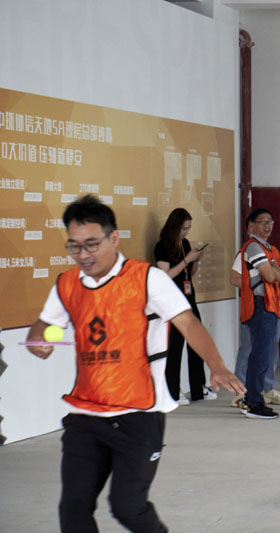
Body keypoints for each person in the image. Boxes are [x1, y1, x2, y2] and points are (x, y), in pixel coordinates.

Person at [25, 195, 244, 533]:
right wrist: (41, 338)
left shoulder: (146, 279)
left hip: (139, 415)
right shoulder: (68, 284)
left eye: (92, 244)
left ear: (113, 238)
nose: (83, 254)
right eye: (74, 246)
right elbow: (43, 325)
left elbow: (188, 323)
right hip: (86, 414)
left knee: (128, 507)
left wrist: (216, 364)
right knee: (73, 509)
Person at [154, 208, 213, 405]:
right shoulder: (162, 246)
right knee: (175, 347)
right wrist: (186, 259)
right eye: (184, 229)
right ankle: (173, 391)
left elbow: (190, 273)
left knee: (197, 343)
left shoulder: (185, 244)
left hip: (188, 298)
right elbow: (165, 276)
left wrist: (195, 260)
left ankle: (198, 388)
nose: (186, 232)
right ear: (175, 227)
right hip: (171, 301)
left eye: (188, 228)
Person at [230, 216, 280, 408]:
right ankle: (242, 392)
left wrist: (272, 275)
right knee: (249, 349)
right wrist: (266, 277)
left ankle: (267, 388)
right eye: (263, 222)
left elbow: (279, 277)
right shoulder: (249, 249)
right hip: (256, 306)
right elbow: (235, 278)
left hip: (274, 306)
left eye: (270, 222)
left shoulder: (274, 251)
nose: (268, 225)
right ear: (251, 226)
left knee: (269, 350)